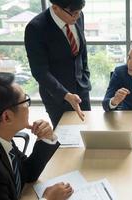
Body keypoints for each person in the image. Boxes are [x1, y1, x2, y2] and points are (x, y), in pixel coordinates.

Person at [0, 72, 73, 200]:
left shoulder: (0, 136)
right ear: (7, 117)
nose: (28, 106)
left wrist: (47, 138)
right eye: (25, 100)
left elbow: (28, 173)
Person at [25, 0, 91, 128]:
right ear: (55, 8)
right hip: (56, 95)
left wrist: (85, 76)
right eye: (73, 13)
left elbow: (82, 52)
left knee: (87, 130)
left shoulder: (77, 15)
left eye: (80, 12)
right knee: (66, 138)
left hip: (81, 88)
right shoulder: (36, 28)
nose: (77, 17)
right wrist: (65, 95)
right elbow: (39, 71)